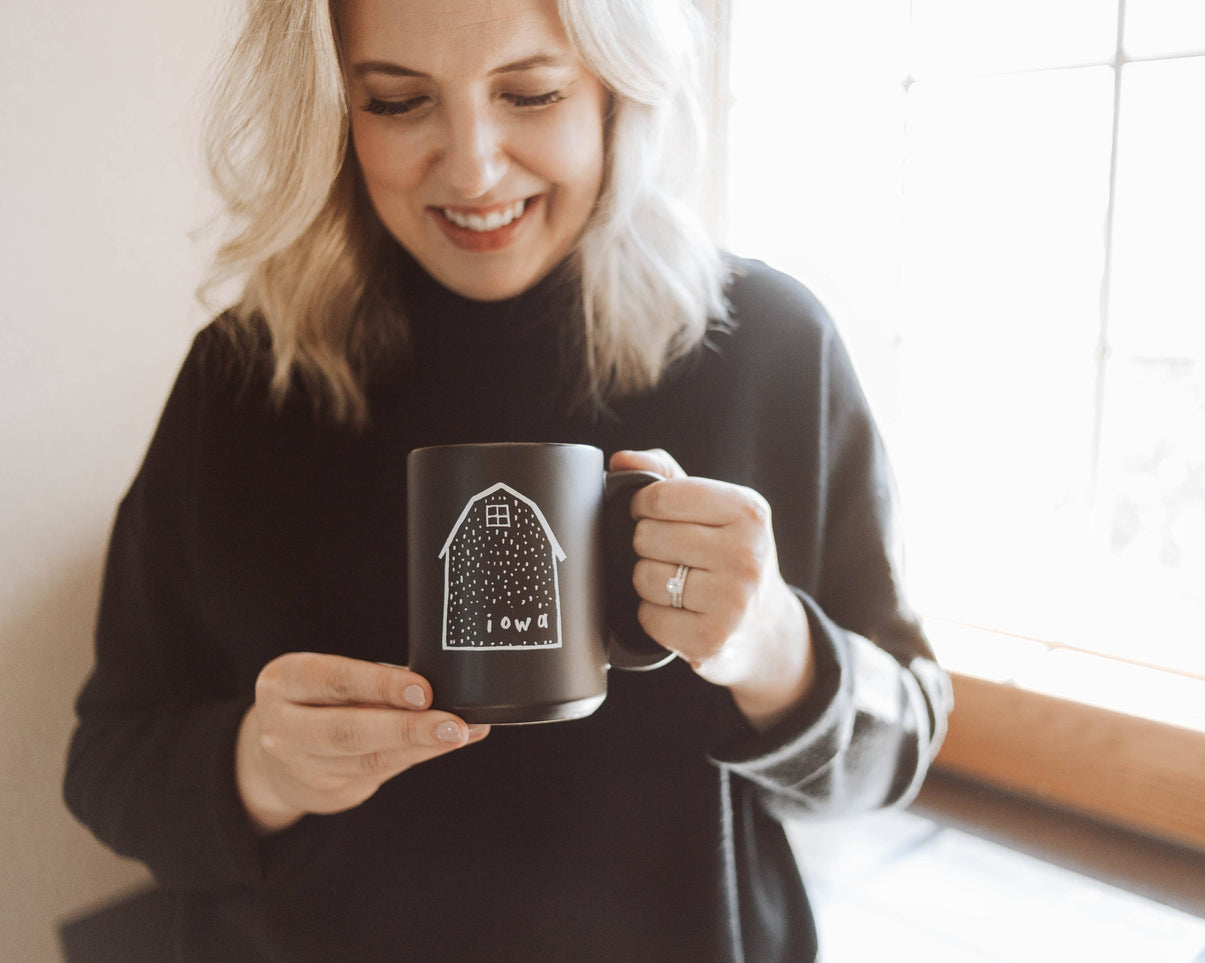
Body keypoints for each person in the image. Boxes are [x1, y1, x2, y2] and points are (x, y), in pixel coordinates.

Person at [62, 0, 952, 959]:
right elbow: (107, 761)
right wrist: (260, 768)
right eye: (398, 103)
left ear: (618, 90)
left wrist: (781, 652)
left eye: (531, 93)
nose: (474, 165)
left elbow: (901, 737)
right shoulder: (245, 380)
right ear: (334, 111)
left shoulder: (767, 349)